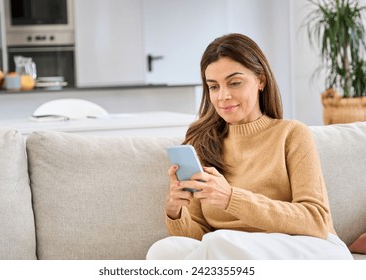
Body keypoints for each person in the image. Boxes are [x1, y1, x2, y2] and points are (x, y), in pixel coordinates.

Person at [146, 33, 353, 260]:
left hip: (307, 246)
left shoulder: (292, 134)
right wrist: (175, 211)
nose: (223, 96)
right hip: (231, 251)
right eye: (213, 87)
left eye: (235, 83)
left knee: (219, 242)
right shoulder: (203, 142)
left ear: (260, 80)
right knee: (163, 251)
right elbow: (197, 236)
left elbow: (316, 220)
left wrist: (231, 198)